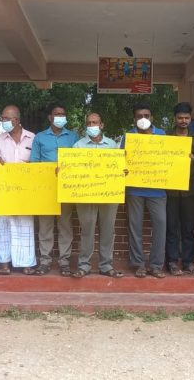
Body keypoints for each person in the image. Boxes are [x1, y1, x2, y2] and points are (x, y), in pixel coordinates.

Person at [71, 113, 126, 278]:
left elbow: (119, 166)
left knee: (108, 230)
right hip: (85, 194)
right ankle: (84, 265)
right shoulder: (78, 146)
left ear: (102, 125)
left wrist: (123, 170)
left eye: (95, 123)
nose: (91, 126)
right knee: (86, 230)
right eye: (89, 123)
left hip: (109, 194)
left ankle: (106, 265)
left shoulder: (113, 146)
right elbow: (73, 169)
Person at [121, 103, 169, 278]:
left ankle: (156, 265)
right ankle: (138, 264)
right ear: (134, 119)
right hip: (134, 190)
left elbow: (171, 159)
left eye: (146, 116)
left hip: (158, 190)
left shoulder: (162, 135)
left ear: (152, 118)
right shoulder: (128, 137)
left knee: (160, 225)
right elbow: (121, 159)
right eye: (139, 116)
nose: (143, 119)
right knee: (135, 227)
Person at [30, 103, 79, 276]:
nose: (60, 117)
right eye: (56, 114)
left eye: (62, 114)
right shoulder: (40, 137)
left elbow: (78, 161)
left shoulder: (73, 137)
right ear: (50, 117)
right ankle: (45, 261)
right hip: (46, 188)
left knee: (65, 225)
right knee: (45, 225)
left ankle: (64, 261)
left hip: (66, 188)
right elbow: (34, 163)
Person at [0, 105, 37, 275]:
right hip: (6, 190)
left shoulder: (32, 138)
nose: (3, 121)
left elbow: (38, 164)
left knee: (25, 225)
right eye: (2, 118)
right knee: (5, 225)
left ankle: (26, 263)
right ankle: (5, 262)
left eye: (6, 118)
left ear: (17, 120)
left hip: (26, 191)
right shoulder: (0, 140)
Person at [165, 102, 194, 276]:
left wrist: (193, 162)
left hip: (190, 191)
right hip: (170, 190)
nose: (183, 121)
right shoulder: (167, 138)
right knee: (171, 228)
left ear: (191, 119)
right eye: (180, 118)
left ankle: (188, 261)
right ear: (175, 119)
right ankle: (172, 262)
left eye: (186, 118)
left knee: (188, 228)